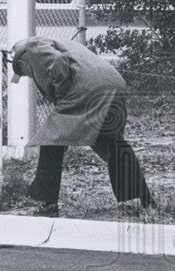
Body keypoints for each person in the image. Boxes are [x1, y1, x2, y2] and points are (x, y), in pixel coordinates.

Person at [9, 36, 153, 216]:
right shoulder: (63, 43)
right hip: (113, 84)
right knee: (112, 143)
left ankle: (47, 204)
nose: (28, 76)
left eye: (24, 73)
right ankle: (144, 200)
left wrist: (60, 92)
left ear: (22, 62)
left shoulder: (33, 46)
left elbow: (58, 63)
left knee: (51, 141)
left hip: (85, 89)